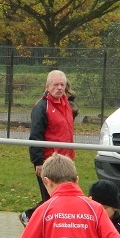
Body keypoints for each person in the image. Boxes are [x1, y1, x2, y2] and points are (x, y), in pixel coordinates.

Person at [20, 70, 75, 227]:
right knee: (52, 198)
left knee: (63, 196)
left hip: (66, 161)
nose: (59, 88)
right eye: (55, 84)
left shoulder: (67, 104)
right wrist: (38, 162)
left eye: (62, 85)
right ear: (47, 86)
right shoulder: (41, 107)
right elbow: (35, 136)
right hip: (49, 161)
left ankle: (36, 218)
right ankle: (32, 217)